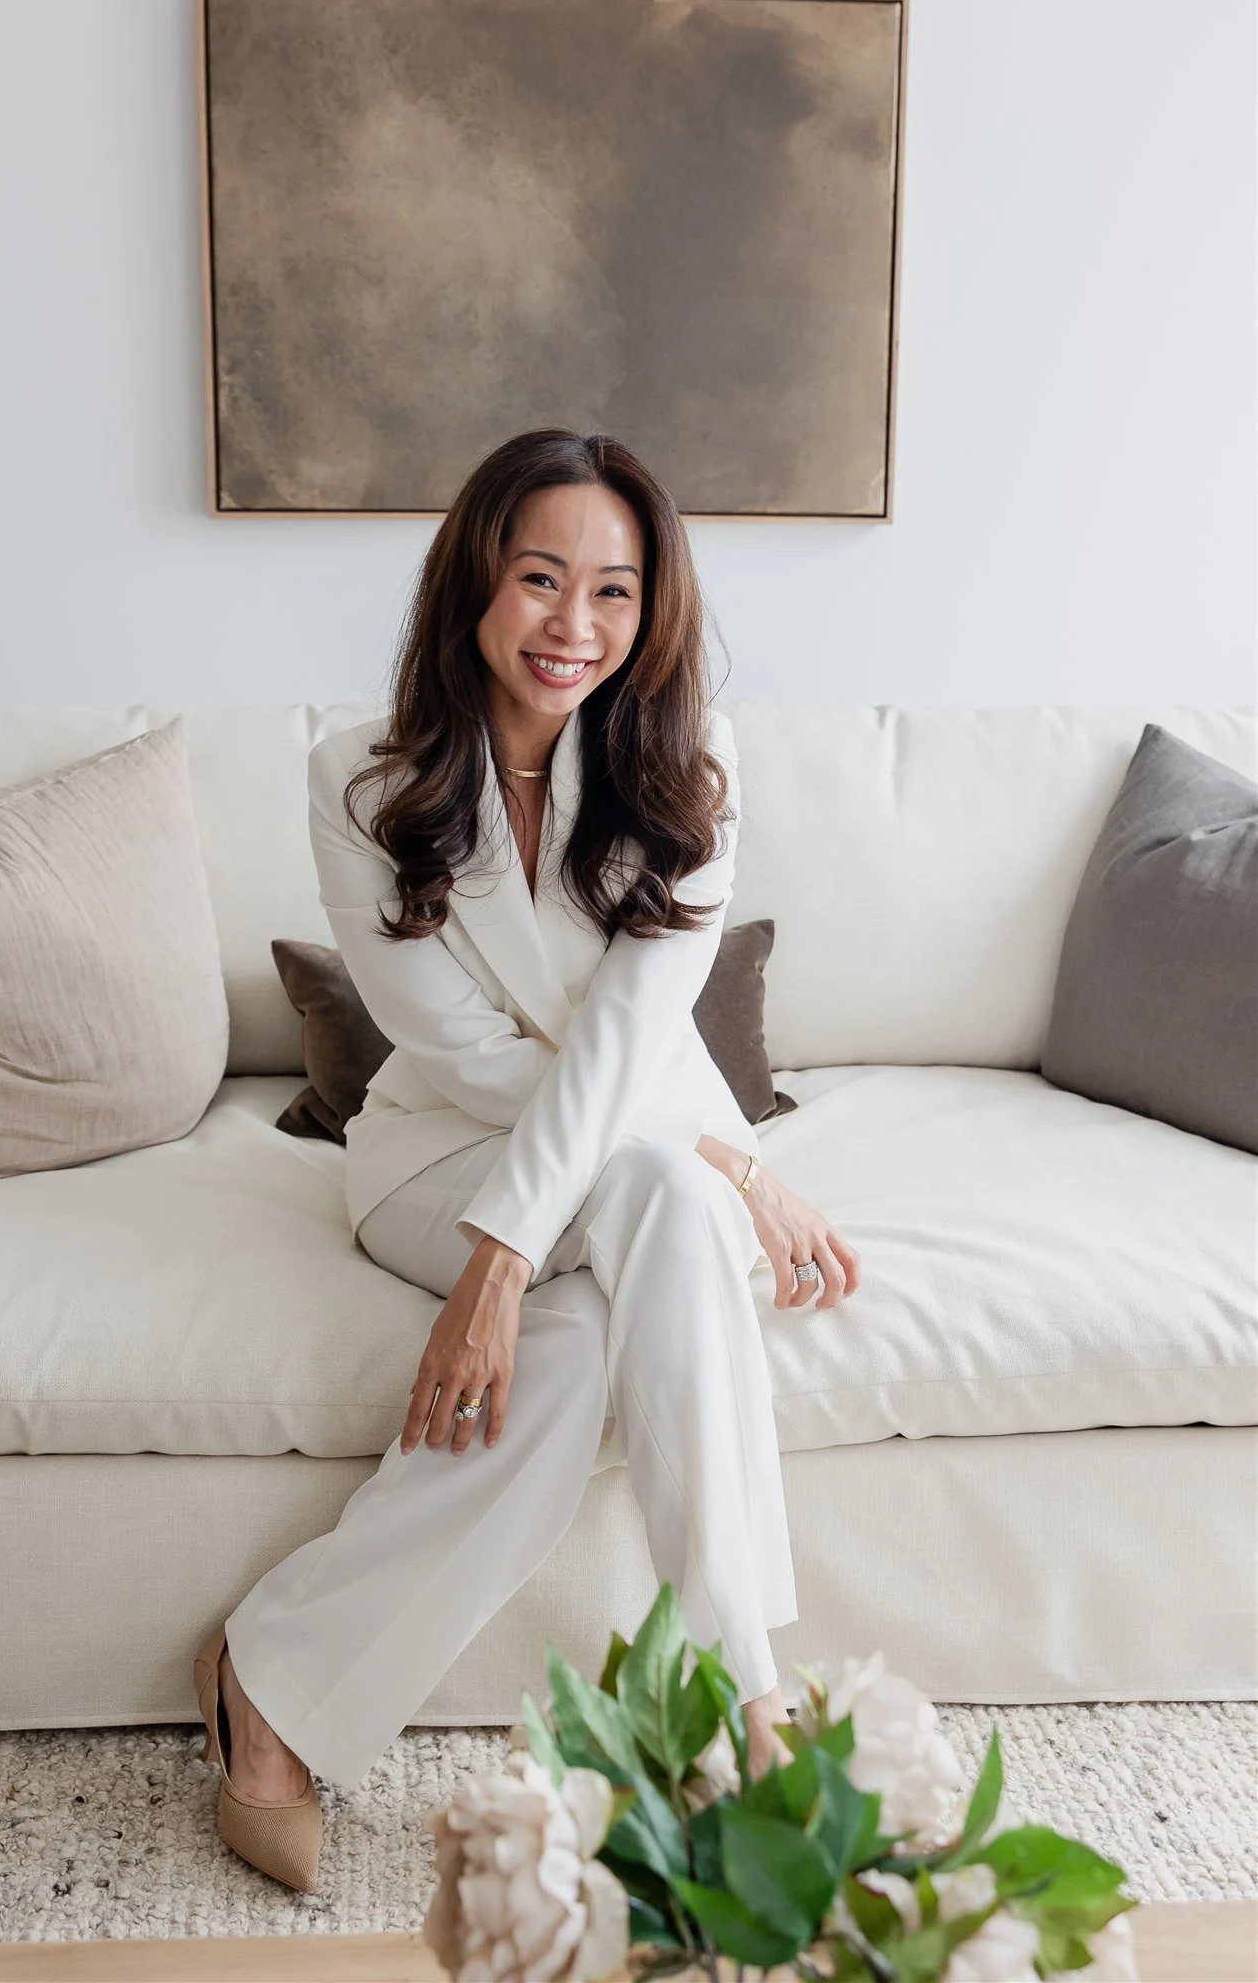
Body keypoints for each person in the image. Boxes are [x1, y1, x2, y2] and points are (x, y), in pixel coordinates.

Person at [192, 428, 861, 1893]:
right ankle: (752, 1711)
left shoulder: (695, 766)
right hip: (439, 1160)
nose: (575, 625)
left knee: (558, 1368)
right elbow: (456, 1050)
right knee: (667, 1188)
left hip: (615, 1166)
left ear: (653, 610)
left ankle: (274, 1685)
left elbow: (634, 1028)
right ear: (476, 584)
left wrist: (571, 1244)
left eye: (614, 591)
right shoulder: (357, 778)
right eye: (541, 577)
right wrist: (680, 1186)